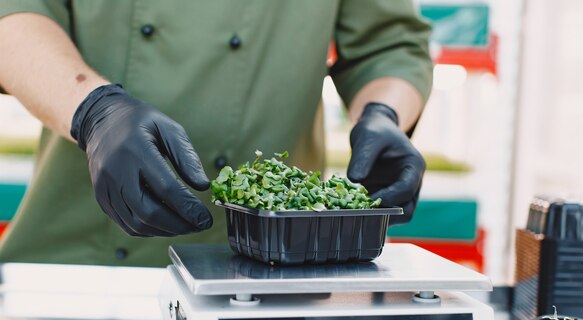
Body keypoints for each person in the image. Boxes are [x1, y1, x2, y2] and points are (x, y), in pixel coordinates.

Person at [0, 1, 433, 267]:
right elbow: (15, 15)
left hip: (274, 267)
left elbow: (390, 44)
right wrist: (95, 111)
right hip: (82, 264)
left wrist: (384, 112)